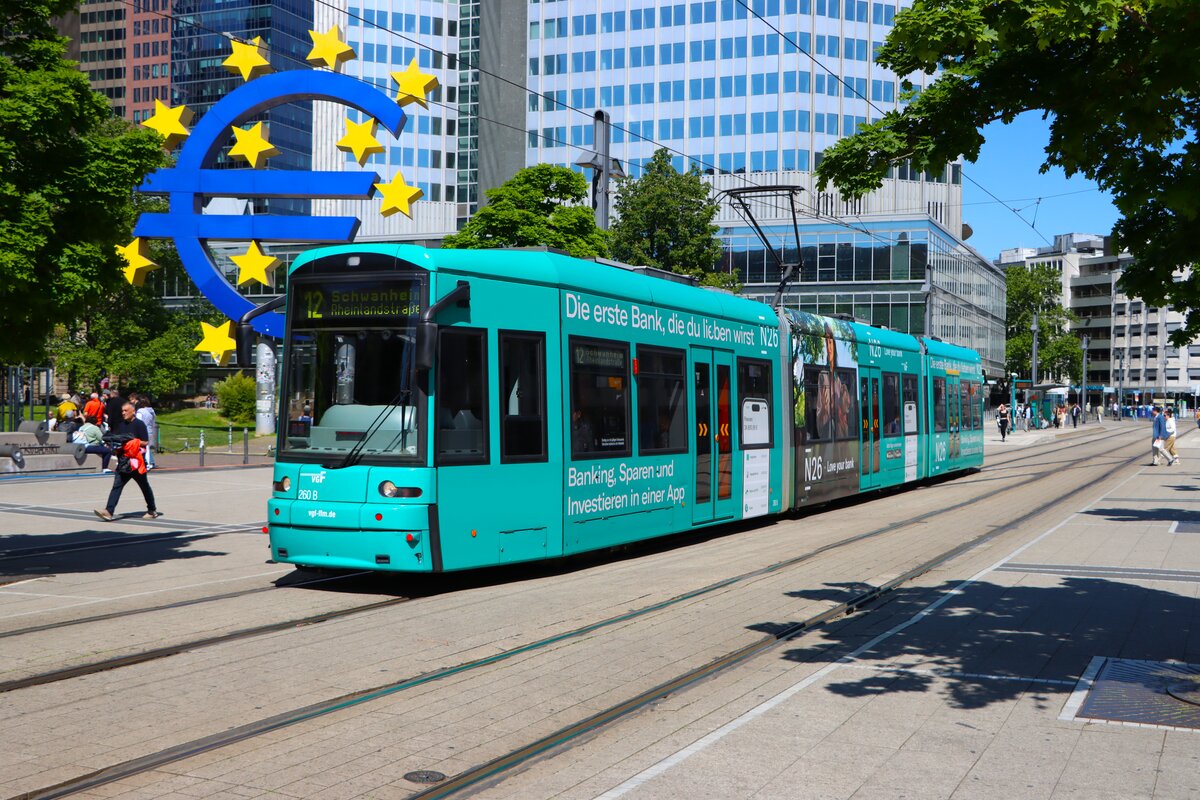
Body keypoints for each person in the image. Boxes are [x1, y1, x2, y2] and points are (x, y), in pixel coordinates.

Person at [94, 402, 159, 521]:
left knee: (144, 486)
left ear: (133, 411)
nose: (123, 413)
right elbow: (116, 437)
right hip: (123, 461)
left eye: (125, 411)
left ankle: (152, 510)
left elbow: (145, 442)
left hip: (136, 462)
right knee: (117, 486)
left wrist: (131, 442)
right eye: (122, 411)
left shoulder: (139, 425)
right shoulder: (121, 425)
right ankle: (109, 511)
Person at [131, 393, 158, 469]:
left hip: (143, 431)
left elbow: (139, 422)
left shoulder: (140, 412)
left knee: (145, 448)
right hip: (149, 430)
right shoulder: (150, 411)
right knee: (147, 447)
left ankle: (147, 463)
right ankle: (151, 462)